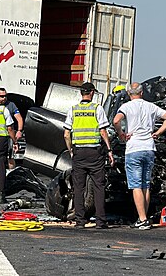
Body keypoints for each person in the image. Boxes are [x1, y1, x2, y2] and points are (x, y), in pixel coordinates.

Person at [113, 82, 166, 230]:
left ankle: (142, 219)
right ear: (141, 93)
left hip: (134, 148)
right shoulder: (150, 106)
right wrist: (158, 133)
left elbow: (116, 120)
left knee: (135, 185)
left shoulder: (127, 107)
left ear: (129, 94)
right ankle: (144, 218)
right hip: (149, 148)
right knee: (145, 184)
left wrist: (121, 133)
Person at [63, 82, 114, 229]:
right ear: (91, 93)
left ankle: (80, 221)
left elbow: (66, 134)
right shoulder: (97, 109)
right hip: (95, 153)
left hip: (79, 153)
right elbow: (103, 131)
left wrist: (71, 150)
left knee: (79, 187)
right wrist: (109, 151)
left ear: (81, 93)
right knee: (99, 186)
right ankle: (100, 221)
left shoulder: (73, 110)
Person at [0, 87, 24, 169]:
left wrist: (19, 131)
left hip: (8, 135)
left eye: (5, 96)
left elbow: (19, 118)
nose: (4, 98)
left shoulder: (11, 105)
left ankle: (11, 175)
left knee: (10, 158)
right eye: (1, 96)